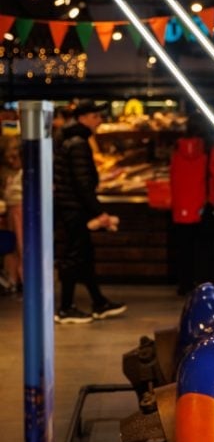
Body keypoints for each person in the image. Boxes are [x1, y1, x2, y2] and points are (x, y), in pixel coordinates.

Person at [53, 100, 126, 324]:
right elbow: (82, 183)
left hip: (72, 206)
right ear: (83, 118)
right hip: (74, 208)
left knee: (84, 255)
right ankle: (65, 308)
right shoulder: (78, 143)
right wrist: (98, 211)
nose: (99, 121)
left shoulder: (70, 139)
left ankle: (99, 302)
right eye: (95, 117)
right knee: (75, 256)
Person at [169, 112, 214, 294]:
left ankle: (184, 284)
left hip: (181, 207)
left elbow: (173, 178)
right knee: (205, 250)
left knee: (184, 248)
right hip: (203, 207)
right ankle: (204, 285)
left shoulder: (177, 148)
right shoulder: (211, 150)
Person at [1, 137, 23, 294]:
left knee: (20, 244)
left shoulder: (23, 170)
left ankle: (18, 278)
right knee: (16, 245)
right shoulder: (6, 172)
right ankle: (15, 278)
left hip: (18, 208)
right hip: (12, 209)